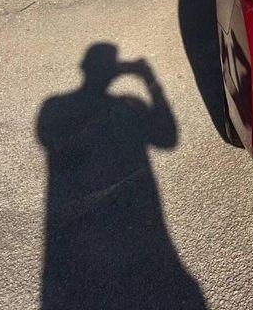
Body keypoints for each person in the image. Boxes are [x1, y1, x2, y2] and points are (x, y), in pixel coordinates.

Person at [36, 43, 205, 310]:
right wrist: (149, 79)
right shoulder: (128, 106)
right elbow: (167, 138)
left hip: (81, 231)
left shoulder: (54, 107)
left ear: (83, 68)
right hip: (135, 219)